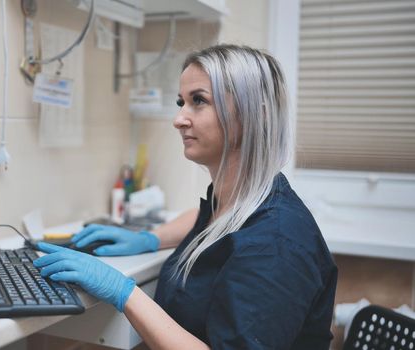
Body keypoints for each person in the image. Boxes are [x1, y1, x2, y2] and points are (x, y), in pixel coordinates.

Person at [34, 44, 337, 350]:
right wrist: (150, 238)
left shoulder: (276, 246)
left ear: (251, 116)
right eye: (182, 102)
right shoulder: (245, 200)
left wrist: (124, 292)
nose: (179, 119)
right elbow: (209, 219)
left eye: (199, 101)